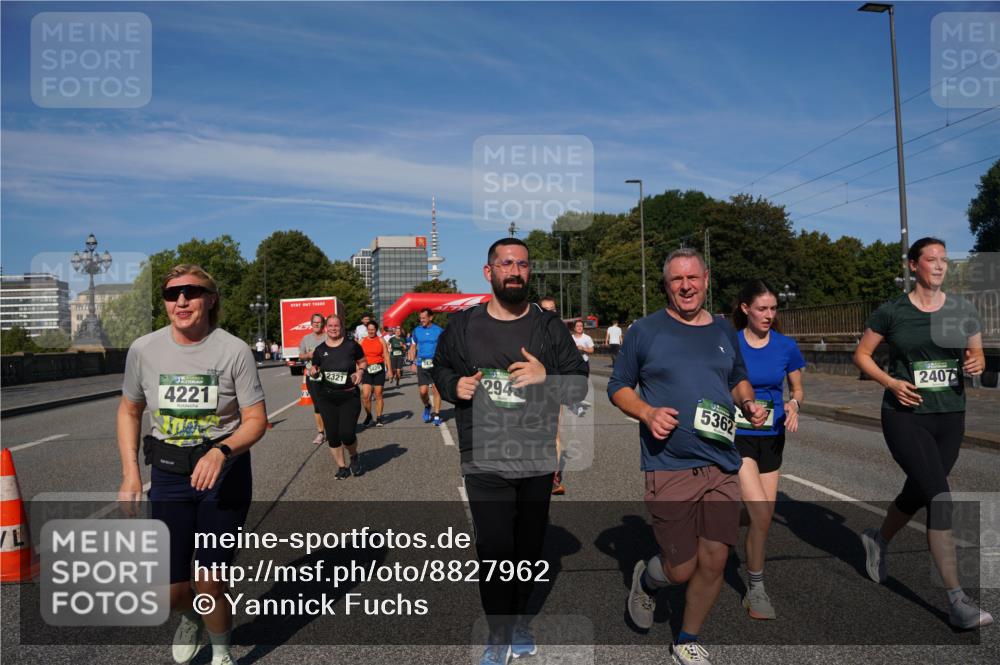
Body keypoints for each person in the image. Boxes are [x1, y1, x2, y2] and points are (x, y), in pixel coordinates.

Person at [431, 238, 588, 665]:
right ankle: (499, 632)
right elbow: (439, 367)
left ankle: (519, 620)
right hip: (483, 455)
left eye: (522, 264)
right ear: (489, 272)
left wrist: (546, 376)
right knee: (496, 549)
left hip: (536, 456)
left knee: (528, 549)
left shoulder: (548, 328)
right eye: (506, 264)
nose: (514, 271)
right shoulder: (462, 326)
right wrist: (453, 385)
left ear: (529, 271)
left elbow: (579, 384)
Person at [608, 248, 765, 665]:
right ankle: (647, 581)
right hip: (670, 465)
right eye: (677, 279)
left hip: (721, 463)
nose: (686, 286)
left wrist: (747, 402)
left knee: (715, 559)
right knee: (680, 569)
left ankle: (686, 639)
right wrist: (646, 412)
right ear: (666, 285)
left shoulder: (723, 329)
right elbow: (617, 386)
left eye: (693, 278)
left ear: (706, 279)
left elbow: (737, 377)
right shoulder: (645, 331)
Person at [116, 264, 267, 665]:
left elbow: (256, 420)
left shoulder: (233, 349)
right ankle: (191, 617)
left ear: (211, 299)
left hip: (223, 475)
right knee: (170, 591)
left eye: (191, 292)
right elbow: (129, 410)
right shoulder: (144, 350)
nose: (181, 300)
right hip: (168, 475)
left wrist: (222, 451)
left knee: (210, 581)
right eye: (172, 294)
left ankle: (221, 654)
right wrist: (131, 473)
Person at [854, 237, 991, 629]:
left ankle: (878, 539)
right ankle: (957, 600)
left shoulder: (962, 309)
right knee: (940, 498)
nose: (940, 265)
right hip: (905, 416)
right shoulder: (892, 311)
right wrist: (891, 383)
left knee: (920, 490)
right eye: (931, 259)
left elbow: (976, 353)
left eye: (944, 259)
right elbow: (862, 355)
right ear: (913, 265)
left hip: (950, 416)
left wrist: (977, 362)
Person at [730, 279, 805, 620]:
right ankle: (756, 589)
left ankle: (715, 522)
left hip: (772, 436)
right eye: (762, 308)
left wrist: (794, 405)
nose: (769, 315)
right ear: (745, 308)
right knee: (761, 513)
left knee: (760, 517)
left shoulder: (786, 346)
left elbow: (797, 389)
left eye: (773, 308)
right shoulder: (730, 344)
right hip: (739, 435)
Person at [309, 313, 367, 479]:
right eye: (331, 326)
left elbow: (363, 361)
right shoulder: (320, 350)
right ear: (326, 328)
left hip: (349, 396)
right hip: (327, 397)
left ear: (341, 327)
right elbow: (315, 367)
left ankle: (354, 455)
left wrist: (360, 372)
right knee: (333, 436)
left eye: (336, 325)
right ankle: (342, 467)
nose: (333, 328)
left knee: (347, 434)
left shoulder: (351, 346)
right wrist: (314, 371)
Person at [539, 297, 566, 495]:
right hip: (532, 389)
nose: (550, 313)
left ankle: (554, 477)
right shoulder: (531, 331)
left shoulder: (561, 332)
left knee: (555, 433)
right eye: (545, 309)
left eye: (553, 309)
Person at [410, 308, 445, 426]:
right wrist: (413, 362)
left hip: (436, 364)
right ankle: (427, 406)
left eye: (424, 318)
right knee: (423, 392)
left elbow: (444, 347)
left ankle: (437, 414)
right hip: (422, 364)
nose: (422, 320)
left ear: (431, 317)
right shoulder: (417, 330)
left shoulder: (439, 330)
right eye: (420, 318)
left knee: (436, 389)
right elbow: (413, 346)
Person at [299, 313, 329, 446]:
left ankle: (333, 428)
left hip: (327, 375)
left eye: (319, 322)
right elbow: (301, 355)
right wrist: (308, 355)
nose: (317, 324)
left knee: (330, 402)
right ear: (311, 324)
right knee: (317, 404)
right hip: (312, 376)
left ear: (323, 324)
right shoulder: (306, 339)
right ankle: (321, 433)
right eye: (314, 322)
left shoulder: (328, 337)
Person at [360, 321, 392, 427]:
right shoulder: (362, 341)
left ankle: (379, 418)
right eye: (369, 329)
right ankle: (369, 416)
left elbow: (386, 356)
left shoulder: (381, 340)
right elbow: (357, 357)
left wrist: (389, 370)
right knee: (365, 395)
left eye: (373, 329)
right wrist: (357, 370)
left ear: (376, 330)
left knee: (378, 394)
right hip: (366, 369)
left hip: (379, 369)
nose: (371, 331)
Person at [570, 320, 595, 417]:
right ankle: (577, 405)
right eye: (578, 326)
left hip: (584, 364)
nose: (580, 327)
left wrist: (583, 349)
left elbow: (592, 350)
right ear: (574, 328)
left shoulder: (587, 338)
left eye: (581, 326)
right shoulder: (570, 338)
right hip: (573, 364)